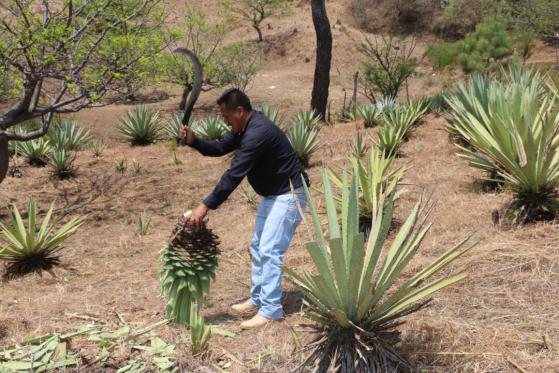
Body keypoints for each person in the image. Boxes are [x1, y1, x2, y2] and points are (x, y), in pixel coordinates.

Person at [179, 88, 309, 329]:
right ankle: (259, 298)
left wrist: (204, 206)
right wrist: (194, 141)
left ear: (239, 111)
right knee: (258, 246)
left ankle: (271, 310)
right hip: (273, 195)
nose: (224, 121)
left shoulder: (257, 133)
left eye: (226, 116)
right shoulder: (243, 128)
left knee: (270, 250)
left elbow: (234, 174)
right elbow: (217, 147)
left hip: (289, 195)